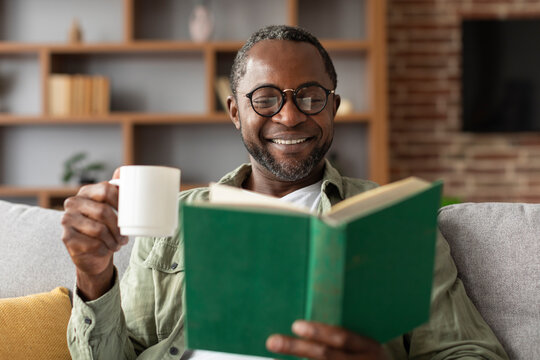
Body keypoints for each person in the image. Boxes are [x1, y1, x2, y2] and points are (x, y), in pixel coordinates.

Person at [62, 25, 508, 360]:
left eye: (311, 96)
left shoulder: (394, 221)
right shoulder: (173, 221)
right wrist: (94, 277)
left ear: (333, 107)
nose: (291, 116)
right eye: (266, 98)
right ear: (236, 112)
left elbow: (473, 353)